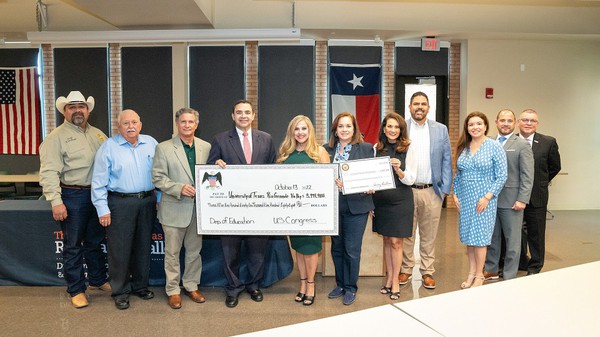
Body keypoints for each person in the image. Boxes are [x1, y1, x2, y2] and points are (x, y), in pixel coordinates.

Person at [39, 91, 110, 309]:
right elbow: (49, 170)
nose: (78, 110)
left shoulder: (98, 134)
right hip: (72, 195)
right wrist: (56, 201)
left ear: (88, 110)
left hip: (96, 196)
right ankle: (76, 289)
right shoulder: (56, 137)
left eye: (81, 106)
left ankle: (97, 280)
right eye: (72, 107)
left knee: (95, 242)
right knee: (73, 245)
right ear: (65, 111)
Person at [207, 100, 277, 308]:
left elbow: (273, 169)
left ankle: (254, 285)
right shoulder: (220, 140)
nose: (243, 116)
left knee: (257, 250)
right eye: (239, 112)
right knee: (230, 250)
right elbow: (210, 173)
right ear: (232, 116)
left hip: (258, 207)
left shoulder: (266, 139)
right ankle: (233, 288)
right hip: (231, 208)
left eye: (247, 112)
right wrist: (214, 165)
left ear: (253, 115)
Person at [92, 109, 158, 310]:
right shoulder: (108, 147)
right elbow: (98, 181)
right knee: (119, 250)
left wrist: (160, 199)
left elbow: (160, 174)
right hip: (120, 203)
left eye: (134, 122)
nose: (131, 126)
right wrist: (102, 209)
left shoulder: (152, 143)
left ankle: (140, 286)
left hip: (147, 201)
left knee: (143, 247)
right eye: (126, 123)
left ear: (140, 124)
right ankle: (120, 291)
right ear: (118, 126)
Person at [152, 108, 211, 309]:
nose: (187, 125)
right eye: (183, 122)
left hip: (199, 211)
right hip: (174, 209)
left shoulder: (206, 147)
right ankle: (173, 290)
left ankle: (191, 285)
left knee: (195, 252)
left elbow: (211, 175)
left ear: (196, 124)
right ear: (177, 124)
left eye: (191, 122)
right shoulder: (164, 148)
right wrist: (179, 188)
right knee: (172, 254)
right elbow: (158, 178)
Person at [400, 91, 452, 289]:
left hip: (432, 191)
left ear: (428, 108)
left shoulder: (440, 129)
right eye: (415, 104)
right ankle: (405, 270)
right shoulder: (402, 128)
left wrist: (445, 190)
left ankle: (427, 271)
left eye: (423, 104)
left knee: (429, 234)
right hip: (406, 191)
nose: (419, 107)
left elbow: (447, 159)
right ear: (410, 107)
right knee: (407, 232)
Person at [276, 115, 330, 306]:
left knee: (311, 248)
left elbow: (327, 181)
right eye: (297, 129)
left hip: (313, 210)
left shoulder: (319, 152)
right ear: (292, 132)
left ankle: (311, 285)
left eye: (304, 129)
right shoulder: (285, 153)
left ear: (310, 131)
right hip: (292, 211)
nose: (300, 133)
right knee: (298, 248)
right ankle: (301, 284)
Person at [324, 112, 374, 306]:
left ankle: (351, 287)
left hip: (357, 207)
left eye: (348, 126)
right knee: (337, 248)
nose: (344, 130)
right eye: (341, 126)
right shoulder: (325, 150)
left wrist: (372, 186)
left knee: (351, 250)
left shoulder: (366, 148)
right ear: (335, 130)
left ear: (354, 129)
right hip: (333, 206)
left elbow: (372, 176)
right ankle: (341, 284)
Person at [453, 111, 507, 288]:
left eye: (478, 124)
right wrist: (455, 194)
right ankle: (470, 273)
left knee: (480, 239)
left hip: (484, 200)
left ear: (485, 126)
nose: (475, 127)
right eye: (471, 125)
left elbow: (501, 176)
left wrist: (487, 197)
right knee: (469, 238)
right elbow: (459, 174)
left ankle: (479, 276)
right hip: (466, 199)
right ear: (467, 128)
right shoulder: (464, 147)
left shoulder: (494, 146)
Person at [483, 109, 534, 281]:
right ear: (496, 122)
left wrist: (522, 199)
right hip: (490, 199)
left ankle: (510, 274)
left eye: (509, 121)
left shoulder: (521, 144)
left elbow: (528, 175)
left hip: (512, 200)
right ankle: (490, 269)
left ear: (515, 123)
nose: (505, 124)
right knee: (493, 237)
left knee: (512, 240)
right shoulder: (488, 142)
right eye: (502, 120)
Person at [372, 112, 416, 300]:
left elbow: (411, 179)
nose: (392, 130)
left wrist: (399, 170)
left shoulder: (409, 149)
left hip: (401, 200)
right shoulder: (376, 148)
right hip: (381, 201)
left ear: (401, 130)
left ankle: (396, 280)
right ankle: (389, 278)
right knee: (387, 240)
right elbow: (372, 177)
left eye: (396, 127)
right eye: (389, 126)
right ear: (384, 129)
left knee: (397, 242)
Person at [517, 109, 561, 275]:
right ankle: (521, 261)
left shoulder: (548, 142)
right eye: (525, 120)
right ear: (518, 122)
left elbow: (555, 166)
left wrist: (540, 181)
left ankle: (535, 266)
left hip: (537, 195)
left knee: (536, 232)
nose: (528, 123)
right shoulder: (511, 141)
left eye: (532, 121)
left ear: (537, 123)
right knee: (516, 232)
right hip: (514, 195)